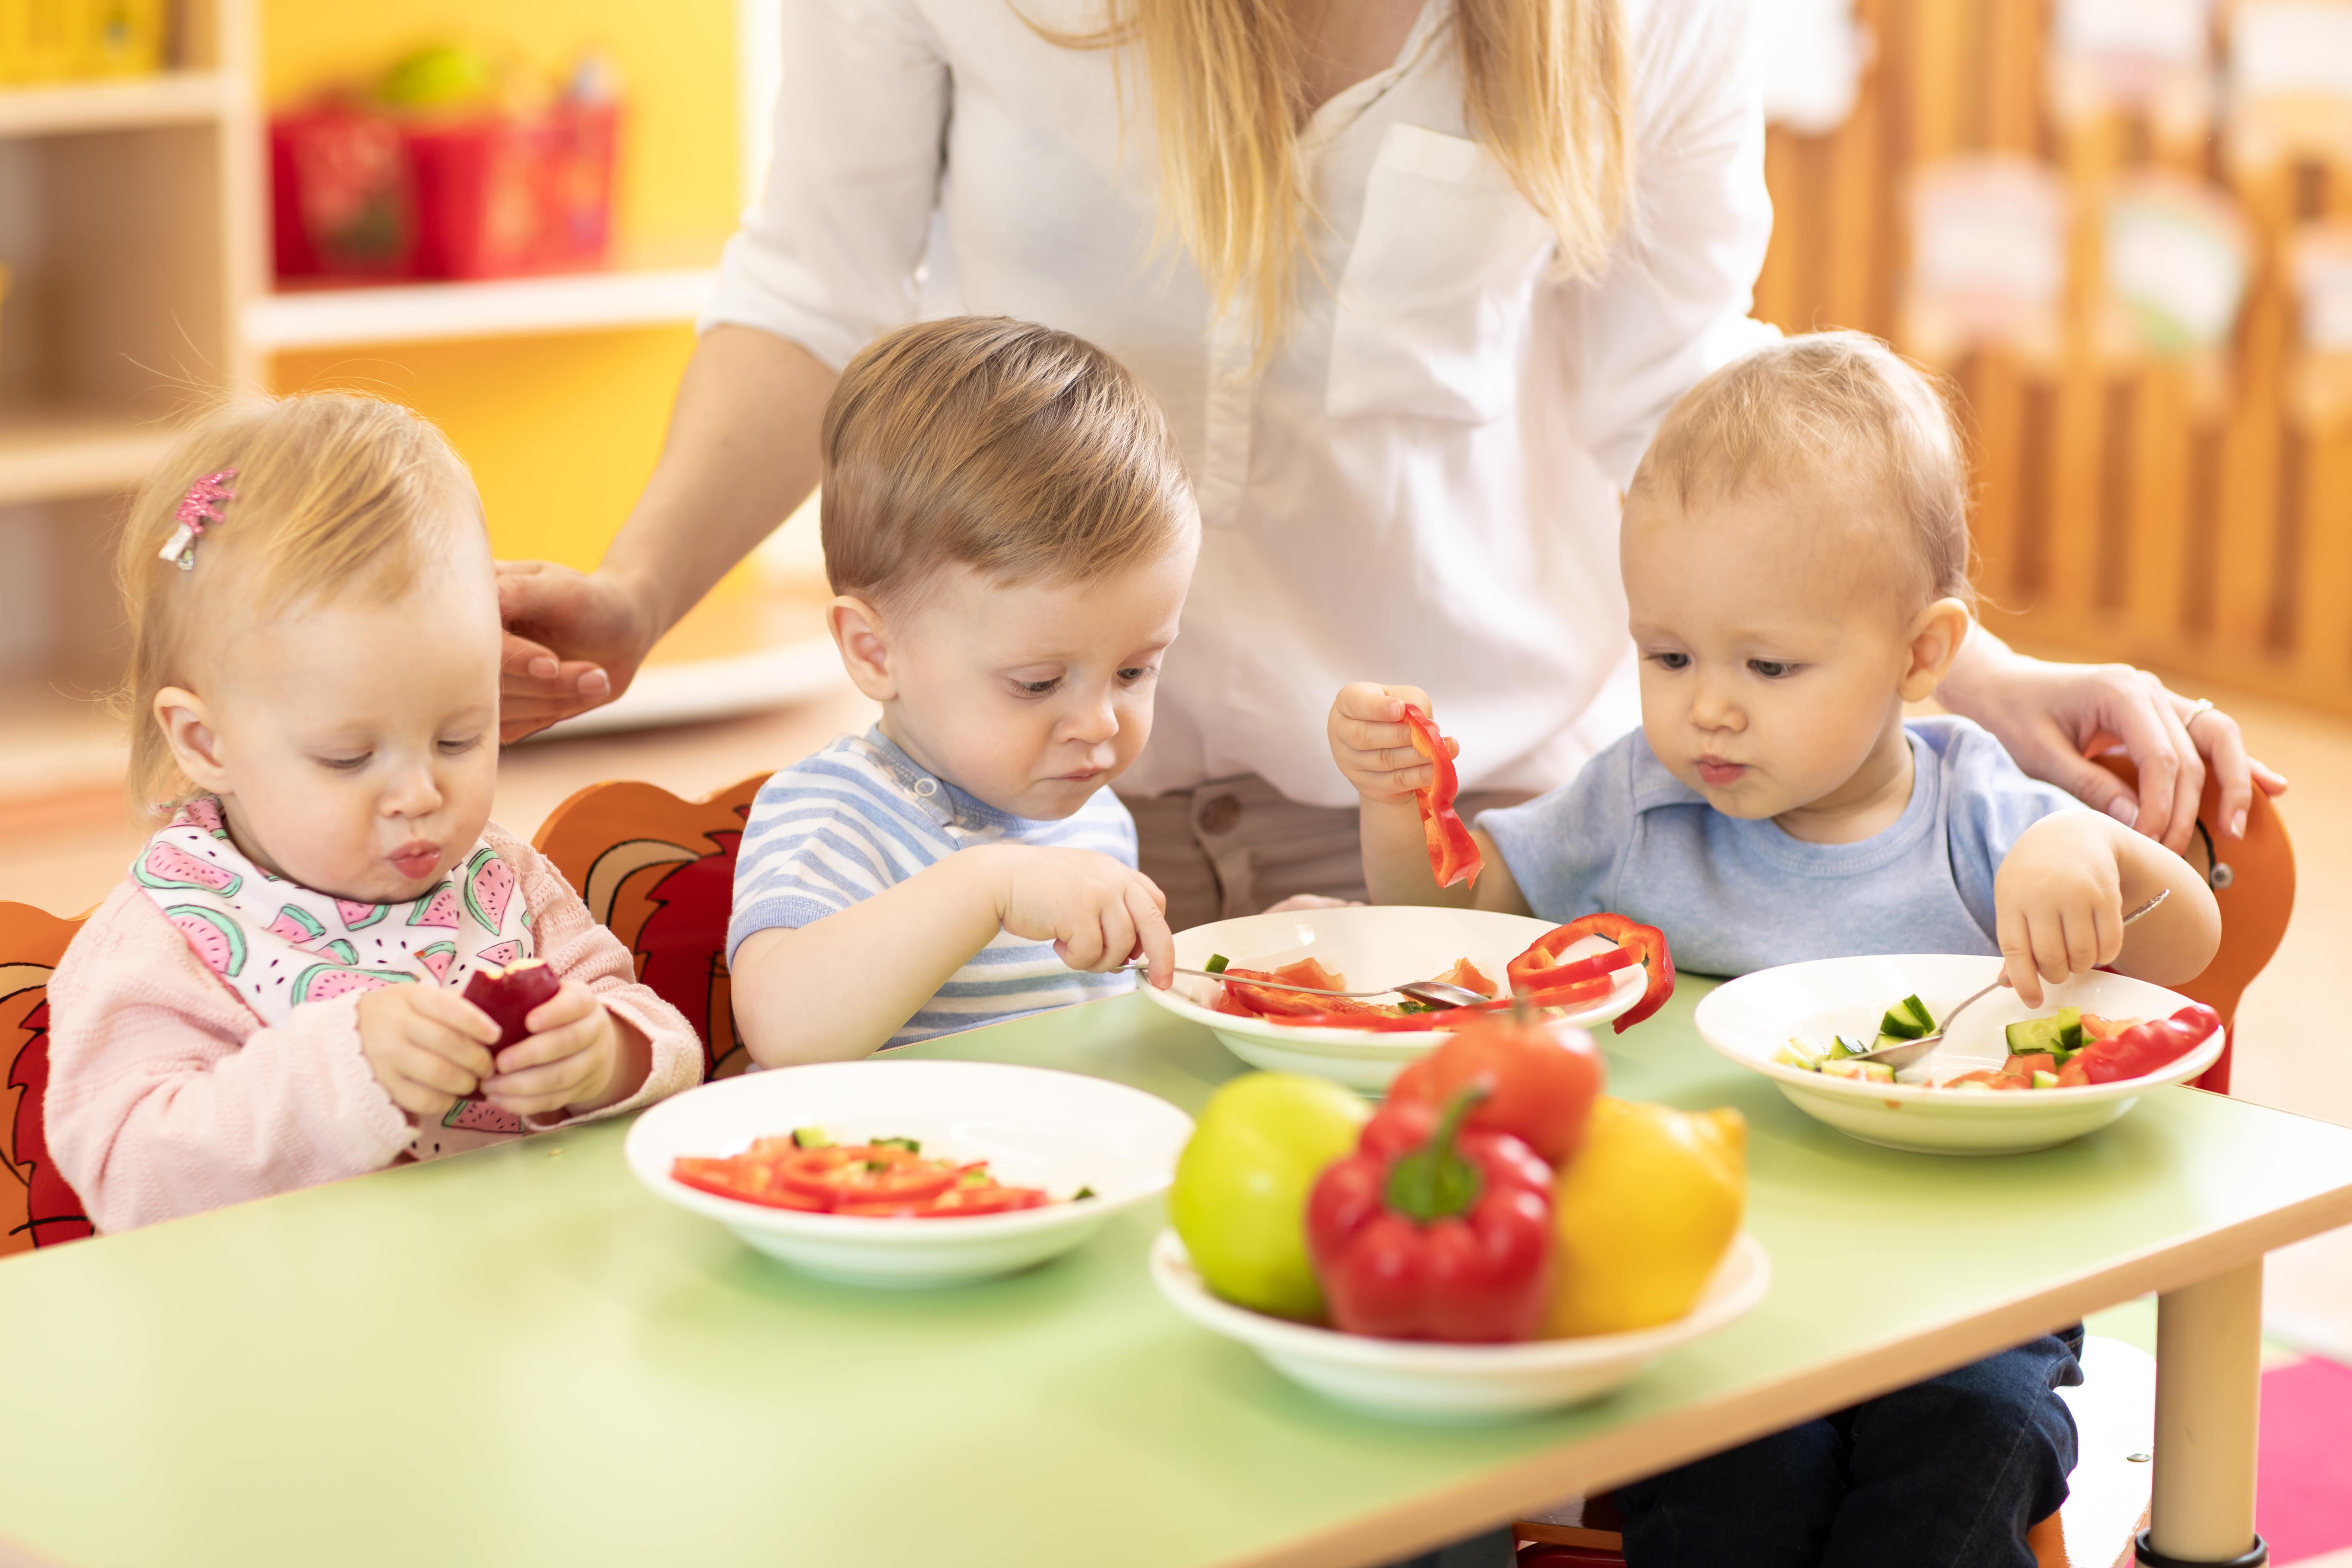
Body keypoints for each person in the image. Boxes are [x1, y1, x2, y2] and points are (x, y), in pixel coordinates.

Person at [493, 0, 2280, 928]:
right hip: (1026, 805)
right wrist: (641, 592)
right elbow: (816, 282)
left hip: (1466, 834)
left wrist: (1972, 669)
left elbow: (1675, 384)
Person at [1330, 332, 2221, 1568]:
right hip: (1719, 1286)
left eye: (1768, 663)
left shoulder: (1974, 804)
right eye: (1668, 655)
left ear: (1919, 654)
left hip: (1962, 1291)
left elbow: (2186, 948)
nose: (1708, 705)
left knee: (1971, 1439)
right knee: (1718, 1467)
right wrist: (1399, 810)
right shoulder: (1639, 797)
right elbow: (1467, 911)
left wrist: (2098, 862)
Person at [45, 394, 703, 1234]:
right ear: (206, 742)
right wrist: (338, 1072)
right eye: (349, 759)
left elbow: (659, 1036)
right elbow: (129, 1180)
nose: (420, 795)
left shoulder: (503, 881)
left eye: (461, 737)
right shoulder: (164, 940)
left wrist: (610, 1053)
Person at [727, 318, 1193, 1063]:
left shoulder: (1092, 818)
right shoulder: (835, 812)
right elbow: (784, 1032)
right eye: (1038, 683)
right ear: (875, 653)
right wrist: (989, 886)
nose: (1101, 723)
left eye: (1134, 671)